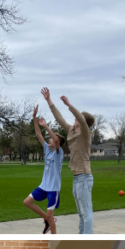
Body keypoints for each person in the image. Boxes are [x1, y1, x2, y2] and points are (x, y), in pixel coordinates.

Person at [42, 87, 94, 233]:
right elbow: (59, 118)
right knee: (81, 214)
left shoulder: (86, 133)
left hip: (84, 176)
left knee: (86, 213)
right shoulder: (71, 130)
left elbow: (82, 120)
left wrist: (69, 105)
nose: (75, 119)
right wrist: (49, 101)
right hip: (77, 178)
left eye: (77, 118)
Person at [24, 105, 64, 234]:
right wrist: (34, 118)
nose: (49, 140)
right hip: (43, 187)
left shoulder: (59, 153)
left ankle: (54, 238)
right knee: (27, 202)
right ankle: (45, 218)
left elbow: (57, 141)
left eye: (51, 139)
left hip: (53, 189)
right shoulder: (47, 150)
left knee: (51, 216)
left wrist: (46, 126)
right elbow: (38, 134)